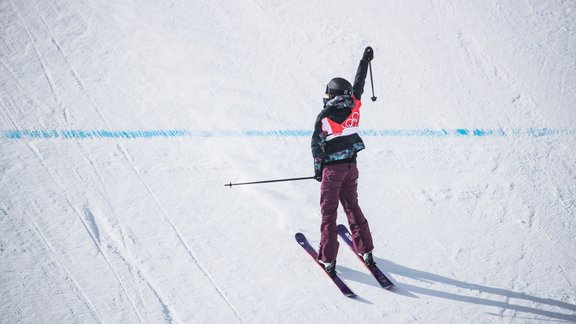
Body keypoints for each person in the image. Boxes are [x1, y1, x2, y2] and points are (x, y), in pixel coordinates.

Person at [311, 46, 375, 276]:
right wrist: (364, 60)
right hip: (351, 168)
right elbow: (359, 85)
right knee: (352, 206)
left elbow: (316, 147)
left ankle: (328, 259)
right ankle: (365, 250)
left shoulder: (325, 116)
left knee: (329, 214)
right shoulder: (354, 105)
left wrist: (318, 170)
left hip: (333, 172)